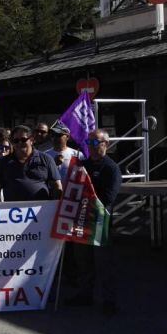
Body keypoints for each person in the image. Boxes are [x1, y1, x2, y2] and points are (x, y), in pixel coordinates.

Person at [65, 129, 123, 313]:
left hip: (101, 223)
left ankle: (109, 301)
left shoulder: (111, 168)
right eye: (89, 143)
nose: (91, 146)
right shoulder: (82, 165)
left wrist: (87, 197)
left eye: (95, 143)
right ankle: (85, 295)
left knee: (104, 264)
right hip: (81, 222)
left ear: (106, 144)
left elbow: (108, 197)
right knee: (83, 262)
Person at [0, 125, 62, 202]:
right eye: (16, 141)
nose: (20, 143)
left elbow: (57, 187)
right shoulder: (3, 162)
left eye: (23, 139)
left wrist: (54, 208)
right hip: (12, 211)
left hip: (41, 211)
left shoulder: (46, 159)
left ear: (32, 140)